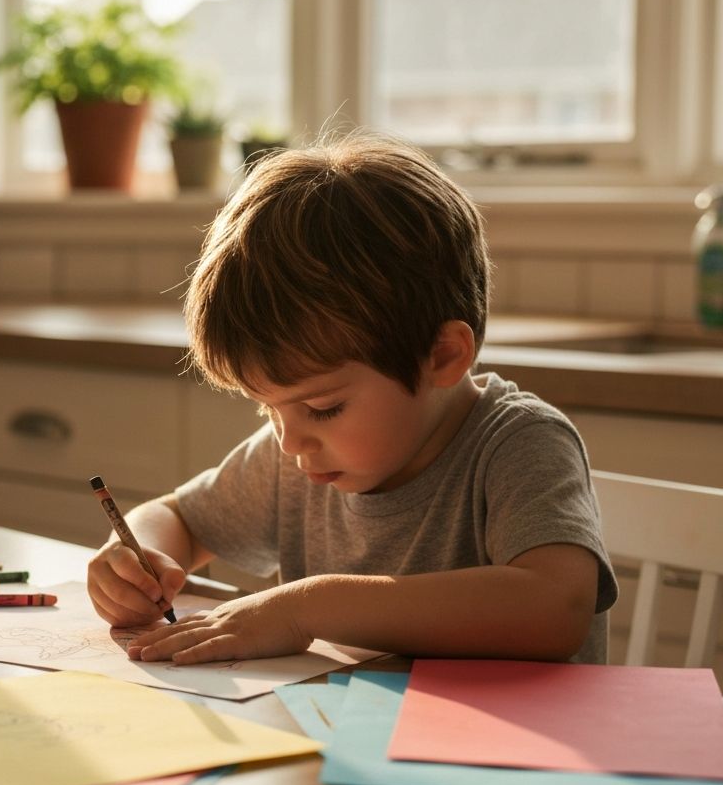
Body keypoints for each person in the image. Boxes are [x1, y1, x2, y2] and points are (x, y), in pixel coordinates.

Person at [86, 133, 618, 665]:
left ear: (442, 357)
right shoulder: (297, 460)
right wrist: (136, 558)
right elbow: (181, 518)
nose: (290, 440)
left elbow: (555, 608)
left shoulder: (520, 445)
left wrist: (307, 606)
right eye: (268, 408)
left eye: (323, 408)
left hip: (513, 746)